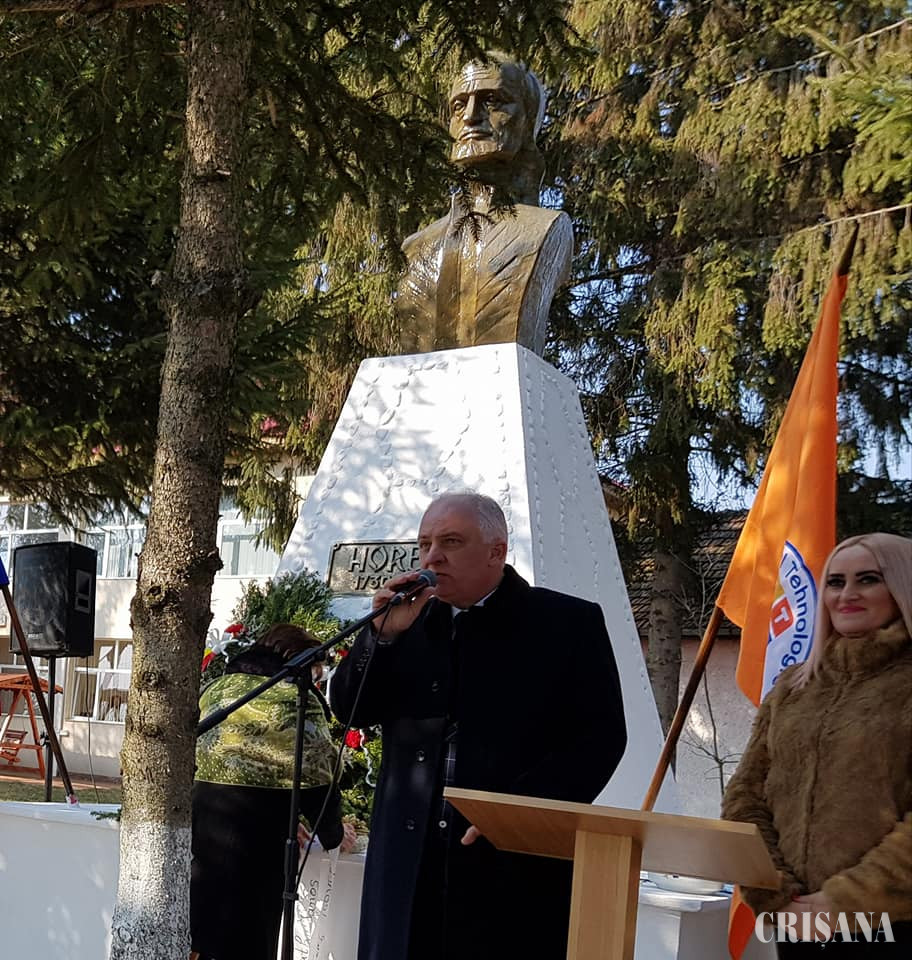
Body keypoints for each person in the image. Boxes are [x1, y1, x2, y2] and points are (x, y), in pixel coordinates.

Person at [329, 492, 627, 960]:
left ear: (496, 552)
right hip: (407, 868)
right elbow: (350, 710)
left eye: (451, 542)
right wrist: (380, 638)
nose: (432, 557)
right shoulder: (405, 622)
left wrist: (514, 812)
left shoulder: (568, 622)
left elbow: (601, 738)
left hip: (508, 866)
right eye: (424, 543)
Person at [722, 533, 912, 955]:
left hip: (890, 925)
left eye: (868, 579)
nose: (847, 594)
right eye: (835, 582)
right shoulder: (794, 687)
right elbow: (745, 796)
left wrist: (845, 902)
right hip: (794, 920)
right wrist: (773, 891)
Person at [190, 623, 356, 960]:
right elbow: (319, 780)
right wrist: (334, 835)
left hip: (203, 837)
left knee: (201, 939)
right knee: (250, 943)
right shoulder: (295, 700)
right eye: (315, 673)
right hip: (259, 854)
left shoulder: (216, 689)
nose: (315, 683)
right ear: (298, 660)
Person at [397, 52, 573, 356]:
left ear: (528, 119)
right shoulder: (417, 248)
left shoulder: (545, 230)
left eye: (492, 101)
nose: (470, 116)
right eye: (458, 105)